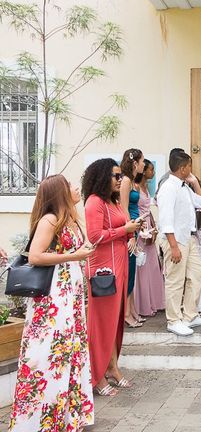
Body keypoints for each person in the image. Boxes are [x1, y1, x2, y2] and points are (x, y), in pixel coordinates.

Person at [9, 175, 95, 431]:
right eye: (71, 185)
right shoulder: (50, 220)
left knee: (70, 351)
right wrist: (75, 255)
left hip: (71, 296)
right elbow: (35, 255)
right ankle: (42, 419)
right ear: (60, 193)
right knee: (51, 352)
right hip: (54, 297)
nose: (76, 188)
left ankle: (70, 416)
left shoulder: (69, 219)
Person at [83, 158, 141, 396]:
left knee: (115, 322)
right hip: (103, 271)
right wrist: (124, 231)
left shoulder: (113, 201)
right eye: (116, 176)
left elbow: (121, 229)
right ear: (102, 177)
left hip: (119, 265)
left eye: (120, 176)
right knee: (101, 324)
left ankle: (112, 368)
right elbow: (94, 236)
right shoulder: (94, 202)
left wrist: (133, 232)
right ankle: (96, 376)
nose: (120, 180)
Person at [157, 151, 201, 336]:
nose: (191, 169)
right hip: (175, 240)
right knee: (175, 280)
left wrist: (194, 182)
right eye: (189, 166)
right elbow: (165, 220)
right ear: (182, 168)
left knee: (196, 274)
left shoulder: (184, 186)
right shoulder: (168, 187)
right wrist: (173, 246)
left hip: (189, 238)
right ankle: (173, 320)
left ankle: (190, 315)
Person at [133, 159, 165, 317]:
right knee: (142, 265)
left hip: (148, 225)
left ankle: (154, 301)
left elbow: (148, 209)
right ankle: (143, 304)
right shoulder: (135, 186)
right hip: (139, 227)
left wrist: (153, 226)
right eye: (151, 169)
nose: (153, 172)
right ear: (143, 171)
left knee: (152, 263)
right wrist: (142, 227)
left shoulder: (146, 187)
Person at [120, 148, 146, 328]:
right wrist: (129, 235)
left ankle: (132, 310)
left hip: (136, 227)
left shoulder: (133, 182)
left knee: (133, 272)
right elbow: (123, 209)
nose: (144, 164)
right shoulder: (126, 181)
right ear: (135, 162)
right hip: (129, 230)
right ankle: (126, 314)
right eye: (142, 161)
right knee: (129, 273)